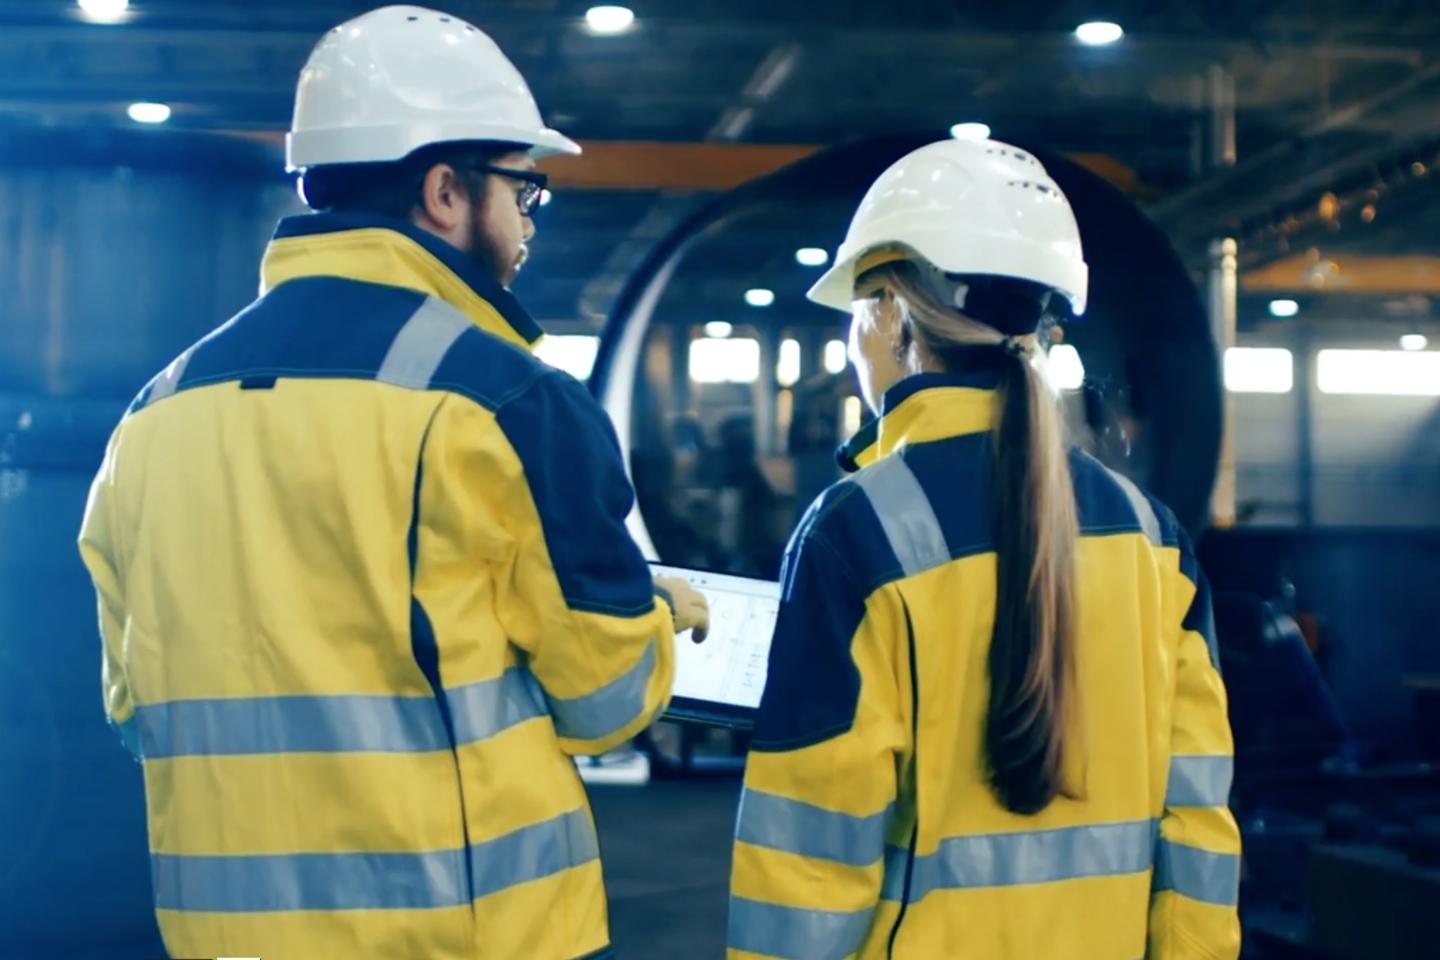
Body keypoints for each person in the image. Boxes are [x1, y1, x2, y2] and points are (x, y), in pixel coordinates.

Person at [76, 7, 706, 960]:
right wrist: (653, 616)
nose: (528, 223)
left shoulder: (154, 416)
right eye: (524, 189)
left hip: (223, 935)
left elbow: (134, 707)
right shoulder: (507, 401)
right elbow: (606, 700)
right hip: (461, 934)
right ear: (446, 190)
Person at [727, 139, 1241, 959]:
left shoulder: (857, 532)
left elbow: (810, 860)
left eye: (858, 307)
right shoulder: (1152, 537)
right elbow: (1197, 822)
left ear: (891, 314)